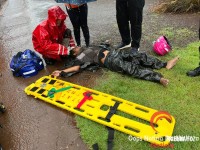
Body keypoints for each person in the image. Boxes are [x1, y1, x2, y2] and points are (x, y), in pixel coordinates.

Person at [51, 46, 179, 86]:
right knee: (132, 69)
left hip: (115, 53)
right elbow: (76, 68)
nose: (78, 46)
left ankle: (164, 64)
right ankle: (158, 78)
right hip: (110, 61)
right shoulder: (80, 57)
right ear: (75, 53)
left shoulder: (87, 47)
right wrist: (61, 72)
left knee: (139, 56)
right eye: (76, 48)